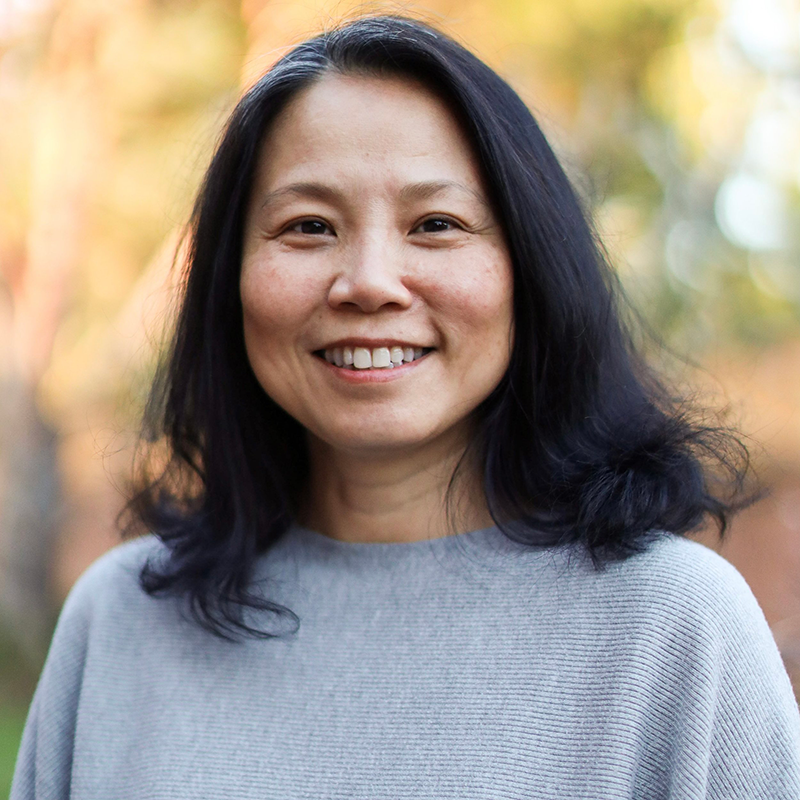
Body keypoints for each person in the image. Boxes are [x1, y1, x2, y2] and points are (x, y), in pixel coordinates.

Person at [11, 14, 800, 800]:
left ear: (530, 269)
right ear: (230, 282)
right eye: (308, 226)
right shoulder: (119, 623)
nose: (370, 281)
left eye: (436, 225)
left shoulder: (673, 627)